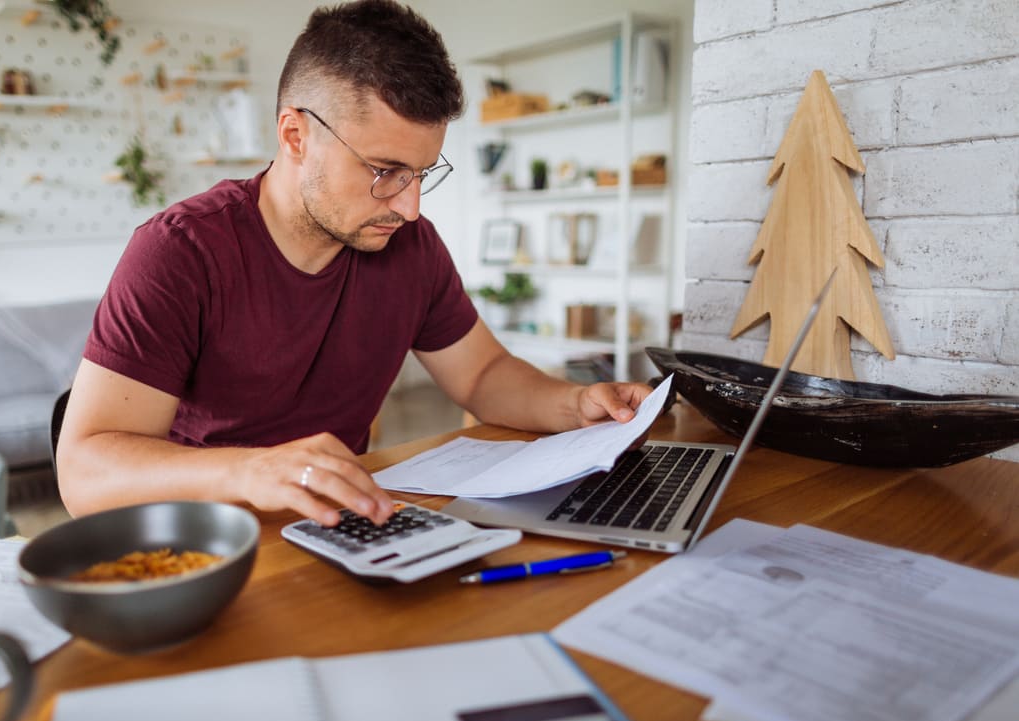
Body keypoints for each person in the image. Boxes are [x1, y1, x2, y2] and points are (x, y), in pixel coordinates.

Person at [57, 0, 652, 526]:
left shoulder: (410, 246)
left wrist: (572, 404)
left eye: (421, 174)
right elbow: (83, 473)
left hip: (341, 525)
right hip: (208, 539)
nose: (411, 207)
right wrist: (250, 472)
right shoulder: (181, 251)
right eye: (384, 171)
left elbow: (480, 375)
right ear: (295, 136)